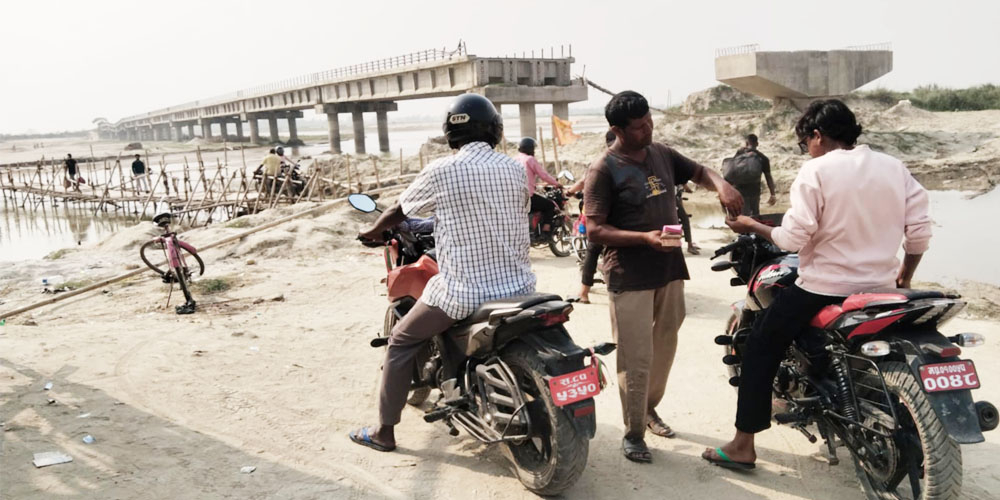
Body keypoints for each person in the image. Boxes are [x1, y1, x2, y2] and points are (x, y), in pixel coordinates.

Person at [703, 99, 932, 470]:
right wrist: (904, 277)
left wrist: (751, 226)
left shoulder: (817, 170)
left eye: (804, 143)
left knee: (760, 344)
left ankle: (743, 445)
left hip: (824, 287)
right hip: (881, 288)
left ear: (817, 135)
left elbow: (792, 239)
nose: (806, 149)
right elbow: (919, 232)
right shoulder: (894, 166)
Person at [349, 93, 536, 453]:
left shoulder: (442, 170)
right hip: (520, 287)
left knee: (400, 340)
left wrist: (372, 230)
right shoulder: (515, 169)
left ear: (451, 132)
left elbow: (400, 210)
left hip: (464, 292)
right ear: (495, 130)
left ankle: (384, 432)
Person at [584, 91, 743, 463]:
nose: (648, 130)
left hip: (669, 269)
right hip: (629, 275)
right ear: (617, 130)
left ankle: (647, 408)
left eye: (649, 122)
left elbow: (700, 172)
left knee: (664, 346)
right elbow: (594, 229)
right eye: (639, 127)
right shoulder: (603, 169)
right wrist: (644, 238)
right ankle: (633, 433)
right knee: (635, 355)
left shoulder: (661, 153)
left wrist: (722, 185)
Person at [570, 129, 616, 304]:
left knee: (593, 248)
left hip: (603, 214)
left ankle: (584, 292)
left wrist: (569, 191)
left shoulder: (600, 161)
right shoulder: (632, 158)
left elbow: (583, 182)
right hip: (626, 213)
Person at [516, 137, 563, 232]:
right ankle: (546, 228)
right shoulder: (529, 159)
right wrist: (557, 184)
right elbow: (543, 175)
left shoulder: (515, 159)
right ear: (530, 148)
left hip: (515, 196)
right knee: (550, 205)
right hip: (528, 197)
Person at [726, 134, 776, 216]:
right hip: (755, 191)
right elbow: (768, 177)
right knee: (755, 215)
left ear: (746, 143)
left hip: (739, 191)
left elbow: (731, 170)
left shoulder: (739, 154)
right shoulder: (762, 158)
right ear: (757, 144)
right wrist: (772, 194)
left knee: (742, 216)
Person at [675, 182, 700, 255]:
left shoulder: (679, 182)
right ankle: (690, 246)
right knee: (685, 220)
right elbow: (687, 189)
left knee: (679, 219)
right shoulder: (677, 180)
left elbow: (682, 194)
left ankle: (687, 244)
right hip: (672, 200)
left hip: (674, 200)